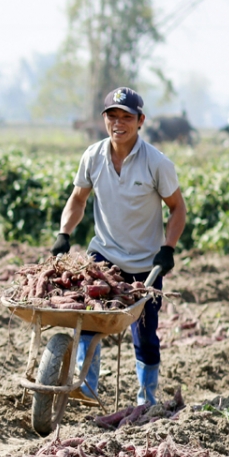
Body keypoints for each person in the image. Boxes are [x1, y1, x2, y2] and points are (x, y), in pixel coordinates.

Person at [51, 87, 187, 407]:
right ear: (104, 120)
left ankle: (147, 398)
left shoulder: (157, 163)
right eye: (112, 116)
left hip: (144, 262)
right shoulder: (93, 156)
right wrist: (64, 234)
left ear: (140, 121)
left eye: (127, 117)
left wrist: (168, 248)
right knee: (89, 319)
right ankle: (87, 387)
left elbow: (177, 208)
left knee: (145, 333)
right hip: (104, 254)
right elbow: (78, 199)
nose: (119, 123)